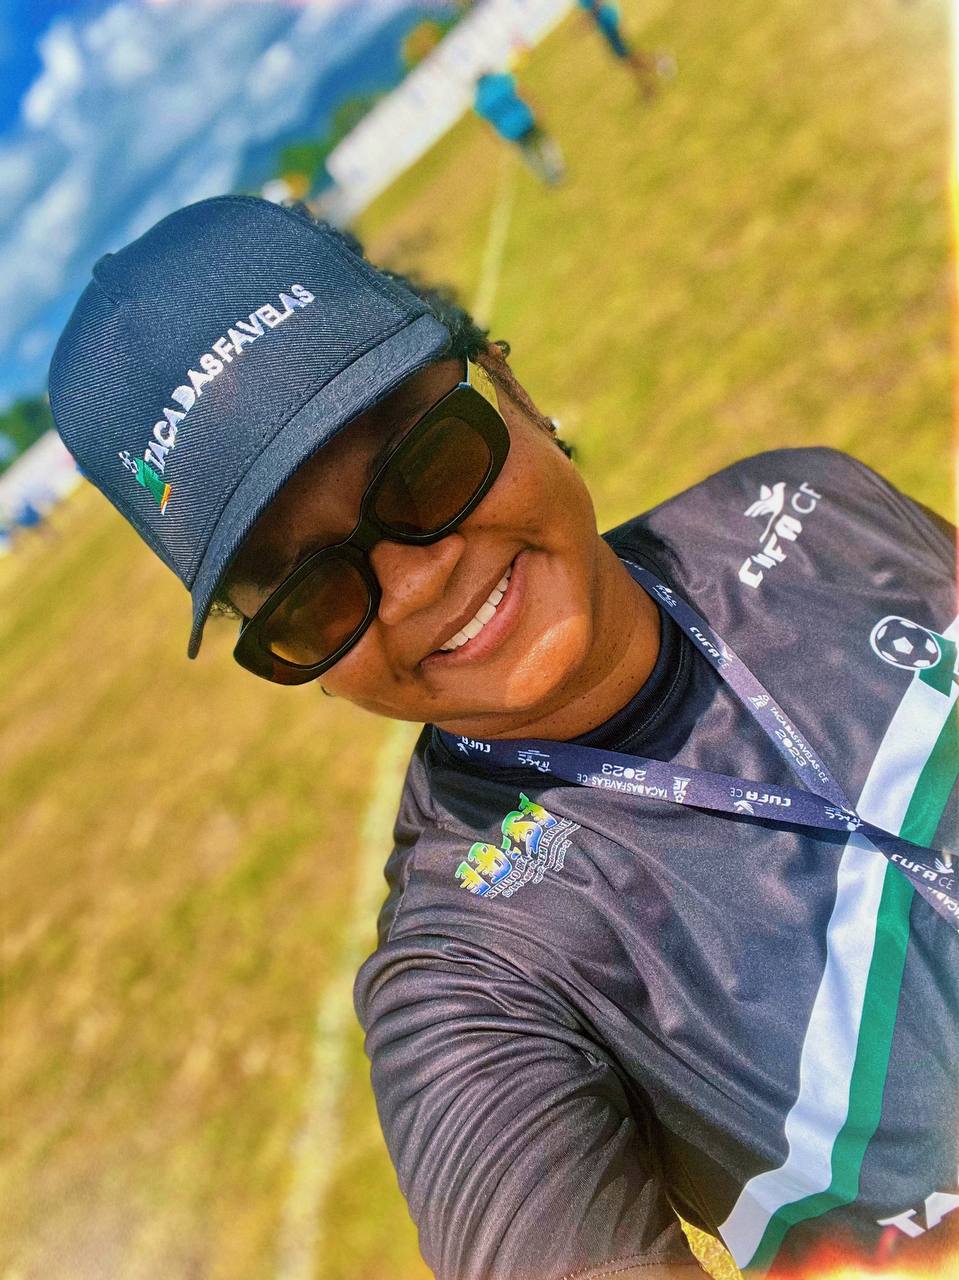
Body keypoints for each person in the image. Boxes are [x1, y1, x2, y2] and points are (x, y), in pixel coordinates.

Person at [49, 196, 958, 1280]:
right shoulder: (465, 985)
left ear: (506, 386)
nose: (412, 585)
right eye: (312, 598)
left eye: (426, 465)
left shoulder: (807, 497)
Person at [473, 69, 565, 185]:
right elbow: (523, 93)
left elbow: (486, 123)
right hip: (525, 119)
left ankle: (546, 177)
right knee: (544, 141)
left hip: (510, 130)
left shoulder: (479, 101)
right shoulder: (502, 80)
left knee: (528, 154)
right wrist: (536, 108)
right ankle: (558, 167)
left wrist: (496, 138)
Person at [577, 0, 672, 97]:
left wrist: (587, 19)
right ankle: (648, 85)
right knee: (626, 59)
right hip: (607, 25)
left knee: (628, 57)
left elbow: (598, 4)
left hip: (610, 22)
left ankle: (659, 64)